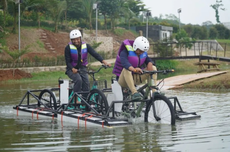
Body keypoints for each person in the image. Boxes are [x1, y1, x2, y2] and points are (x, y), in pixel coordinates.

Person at [64, 29, 110, 99]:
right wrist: (72, 69)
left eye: (77, 39)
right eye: (73, 40)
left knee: (86, 82)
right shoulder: (68, 48)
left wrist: (103, 61)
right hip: (71, 69)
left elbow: (95, 54)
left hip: (82, 68)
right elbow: (67, 62)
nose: (76, 41)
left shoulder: (86, 46)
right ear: (71, 40)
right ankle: (76, 99)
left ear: (80, 38)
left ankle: (85, 101)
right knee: (78, 80)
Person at [112, 36, 157, 100]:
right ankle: (134, 93)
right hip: (123, 80)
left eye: (143, 51)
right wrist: (134, 69)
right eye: (140, 51)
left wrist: (150, 63)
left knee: (153, 68)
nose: (142, 53)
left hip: (136, 78)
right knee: (126, 69)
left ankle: (154, 91)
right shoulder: (124, 52)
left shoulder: (142, 53)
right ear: (136, 47)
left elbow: (148, 59)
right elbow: (125, 63)